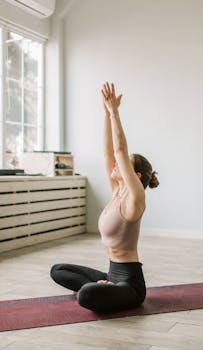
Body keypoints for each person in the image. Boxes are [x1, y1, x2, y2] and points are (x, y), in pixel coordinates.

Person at [50, 82, 159, 312]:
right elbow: (109, 152)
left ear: (135, 175)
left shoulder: (134, 199)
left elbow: (119, 151)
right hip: (111, 272)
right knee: (57, 270)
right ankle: (103, 286)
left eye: (123, 164)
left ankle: (100, 289)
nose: (117, 164)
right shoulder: (117, 192)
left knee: (86, 295)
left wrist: (115, 113)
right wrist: (105, 114)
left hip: (130, 285)